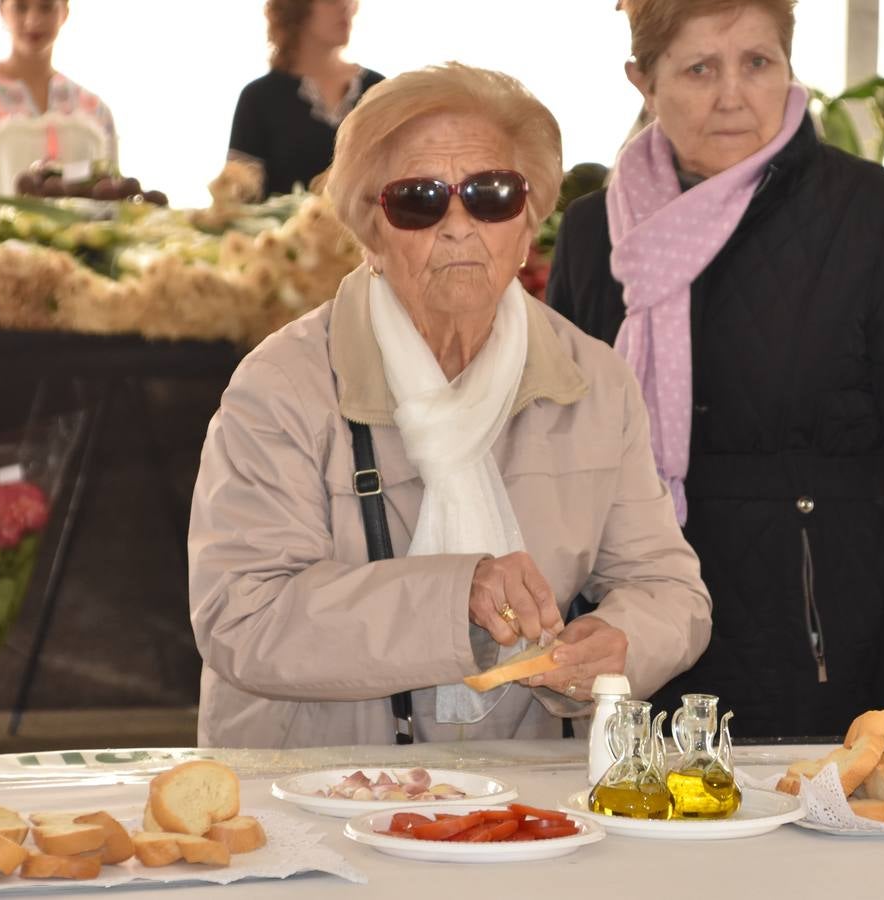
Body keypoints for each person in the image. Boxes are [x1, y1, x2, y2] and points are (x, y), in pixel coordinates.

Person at [188, 63, 713, 749]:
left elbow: (669, 589)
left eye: (491, 194)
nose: (459, 225)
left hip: (520, 803)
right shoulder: (283, 387)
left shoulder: (594, 382)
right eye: (419, 199)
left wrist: (620, 645)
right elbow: (243, 617)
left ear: (527, 223)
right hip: (315, 796)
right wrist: (455, 596)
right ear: (371, 230)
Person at [549, 0, 884, 739]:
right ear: (643, 81)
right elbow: (564, 456)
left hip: (826, 660)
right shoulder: (596, 232)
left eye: (757, 63)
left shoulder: (879, 218)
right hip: (639, 647)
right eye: (700, 69)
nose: (733, 94)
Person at [0, 0, 117, 195]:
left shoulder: (95, 110)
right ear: (2, 9)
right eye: (21, 6)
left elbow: (111, 198)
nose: (33, 21)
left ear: (65, 11)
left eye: (46, 6)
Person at [228, 0, 383, 198]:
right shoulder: (259, 97)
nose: (346, 6)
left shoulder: (378, 90)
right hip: (281, 229)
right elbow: (238, 197)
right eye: (331, 1)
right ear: (295, 7)